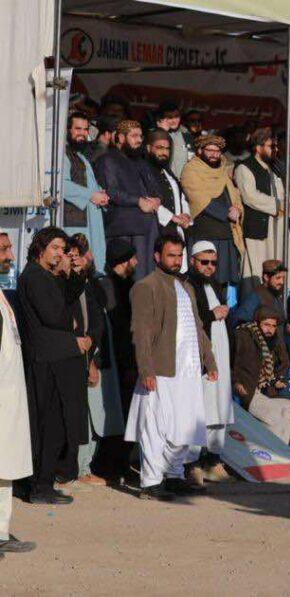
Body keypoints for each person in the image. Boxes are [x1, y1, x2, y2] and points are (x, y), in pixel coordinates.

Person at [126, 234, 217, 501]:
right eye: (171, 256)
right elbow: (140, 333)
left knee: (186, 426)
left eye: (179, 256)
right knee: (156, 427)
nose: (176, 261)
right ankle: (151, 482)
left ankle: (174, 475)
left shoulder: (186, 286)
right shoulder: (147, 286)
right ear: (157, 256)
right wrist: (146, 369)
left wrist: (209, 360)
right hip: (161, 369)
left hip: (188, 370)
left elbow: (198, 327)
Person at [17, 228, 90, 504]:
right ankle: (40, 485)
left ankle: (44, 481)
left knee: (57, 425)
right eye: (56, 248)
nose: (61, 254)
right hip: (46, 361)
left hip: (57, 360)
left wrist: (76, 273)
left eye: (63, 249)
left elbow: (67, 298)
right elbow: (55, 316)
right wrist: (73, 336)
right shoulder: (34, 277)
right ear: (41, 248)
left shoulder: (47, 276)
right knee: (47, 426)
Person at [184, 242, 233, 486]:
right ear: (192, 261)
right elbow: (186, 320)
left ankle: (213, 460)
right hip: (200, 358)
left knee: (218, 407)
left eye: (213, 263)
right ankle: (191, 464)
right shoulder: (186, 285)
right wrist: (212, 315)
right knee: (198, 409)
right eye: (204, 262)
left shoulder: (215, 284)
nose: (210, 267)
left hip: (221, 357)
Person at [89, 239, 138, 486]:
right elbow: (109, 327)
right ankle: (107, 467)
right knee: (114, 417)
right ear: (124, 260)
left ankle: (123, 465)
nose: (136, 263)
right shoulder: (105, 286)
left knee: (129, 416)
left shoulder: (128, 285)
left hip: (129, 361)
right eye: (132, 258)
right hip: (114, 362)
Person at [0, 232, 36, 557]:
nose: (10, 254)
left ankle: (0, 533)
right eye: (4, 249)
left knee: (4, 470)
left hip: (9, 401)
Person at [65, 237, 109, 486]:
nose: (77, 259)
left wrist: (93, 359)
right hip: (74, 359)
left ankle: (84, 467)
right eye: (71, 255)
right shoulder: (64, 285)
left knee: (91, 418)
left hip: (91, 356)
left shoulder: (89, 284)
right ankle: (77, 469)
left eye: (79, 254)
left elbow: (96, 320)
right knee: (79, 417)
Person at [94, 119, 162, 281]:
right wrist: (138, 201)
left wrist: (157, 200)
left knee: (147, 278)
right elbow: (111, 190)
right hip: (123, 230)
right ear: (121, 138)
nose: (139, 140)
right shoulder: (107, 159)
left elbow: (155, 188)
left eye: (140, 136)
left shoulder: (142, 162)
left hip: (148, 228)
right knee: (126, 281)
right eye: (134, 136)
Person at [180, 134, 245, 286]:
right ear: (200, 150)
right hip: (205, 233)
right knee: (203, 281)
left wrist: (238, 210)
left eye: (217, 151)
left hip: (226, 234)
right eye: (210, 150)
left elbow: (234, 195)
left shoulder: (223, 170)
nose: (214, 154)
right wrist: (227, 213)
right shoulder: (191, 170)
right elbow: (199, 198)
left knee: (224, 283)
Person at [235, 128, 290, 293]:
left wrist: (289, 206)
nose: (275, 149)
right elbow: (250, 196)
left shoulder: (278, 167)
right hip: (260, 230)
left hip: (280, 228)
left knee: (280, 271)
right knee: (258, 273)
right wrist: (278, 205)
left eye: (275, 146)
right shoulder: (244, 168)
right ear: (258, 147)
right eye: (270, 146)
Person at [233, 306, 290, 443]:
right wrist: (235, 382)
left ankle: (282, 451)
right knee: (274, 416)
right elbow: (230, 362)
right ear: (257, 322)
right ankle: (271, 453)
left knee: (288, 407)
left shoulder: (275, 338)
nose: (270, 329)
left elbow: (283, 363)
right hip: (247, 389)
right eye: (266, 324)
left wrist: (279, 378)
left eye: (273, 326)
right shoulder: (243, 335)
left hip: (267, 388)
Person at [231, 260, 290, 362]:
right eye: (278, 278)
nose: (281, 282)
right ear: (266, 277)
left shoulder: (275, 295)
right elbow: (240, 322)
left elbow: (279, 322)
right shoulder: (256, 297)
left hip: (280, 352)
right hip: (265, 355)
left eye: (283, 278)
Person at [63, 112, 110, 271]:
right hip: (74, 222)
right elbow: (61, 185)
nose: (82, 133)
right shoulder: (62, 155)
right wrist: (91, 195)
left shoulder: (81, 157)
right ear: (68, 130)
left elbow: (91, 187)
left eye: (85, 129)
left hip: (92, 219)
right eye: (78, 129)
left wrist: (100, 194)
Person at [145, 130, 192, 248]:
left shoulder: (167, 171)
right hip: (156, 230)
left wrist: (185, 215)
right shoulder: (144, 171)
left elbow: (181, 196)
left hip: (177, 230)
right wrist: (172, 218)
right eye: (160, 148)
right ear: (149, 148)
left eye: (167, 149)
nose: (164, 152)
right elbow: (147, 199)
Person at [153, 102, 193, 178]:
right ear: (161, 119)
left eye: (177, 116)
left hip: (184, 182)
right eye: (170, 117)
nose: (174, 120)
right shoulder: (154, 135)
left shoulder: (186, 135)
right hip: (165, 182)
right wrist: (161, 131)